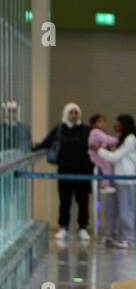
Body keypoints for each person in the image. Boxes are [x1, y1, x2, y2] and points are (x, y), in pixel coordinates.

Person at [34, 102, 94, 245]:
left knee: (83, 201)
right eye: (71, 113)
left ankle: (83, 227)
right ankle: (63, 227)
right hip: (65, 170)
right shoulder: (60, 129)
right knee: (65, 200)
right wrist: (33, 148)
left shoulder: (86, 130)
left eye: (76, 113)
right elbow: (46, 143)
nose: (73, 116)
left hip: (83, 171)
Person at [95, 114, 136, 249]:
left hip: (126, 182)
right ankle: (112, 235)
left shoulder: (130, 140)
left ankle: (128, 237)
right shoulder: (121, 140)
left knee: (125, 211)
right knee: (111, 211)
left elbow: (115, 157)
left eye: (118, 122)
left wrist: (98, 150)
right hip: (116, 180)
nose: (115, 125)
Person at [86, 114, 118, 196]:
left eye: (104, 121)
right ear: (94, 124)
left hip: (98, 154)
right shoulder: (95, 132)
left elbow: (105, 143)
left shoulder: (99, 133)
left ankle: (105, 184)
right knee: (106, 167)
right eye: (100, 121)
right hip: (95, 155)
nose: (103, 123)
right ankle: (104, 186)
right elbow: (107, 139)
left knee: (107, 166)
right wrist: (118, 140)